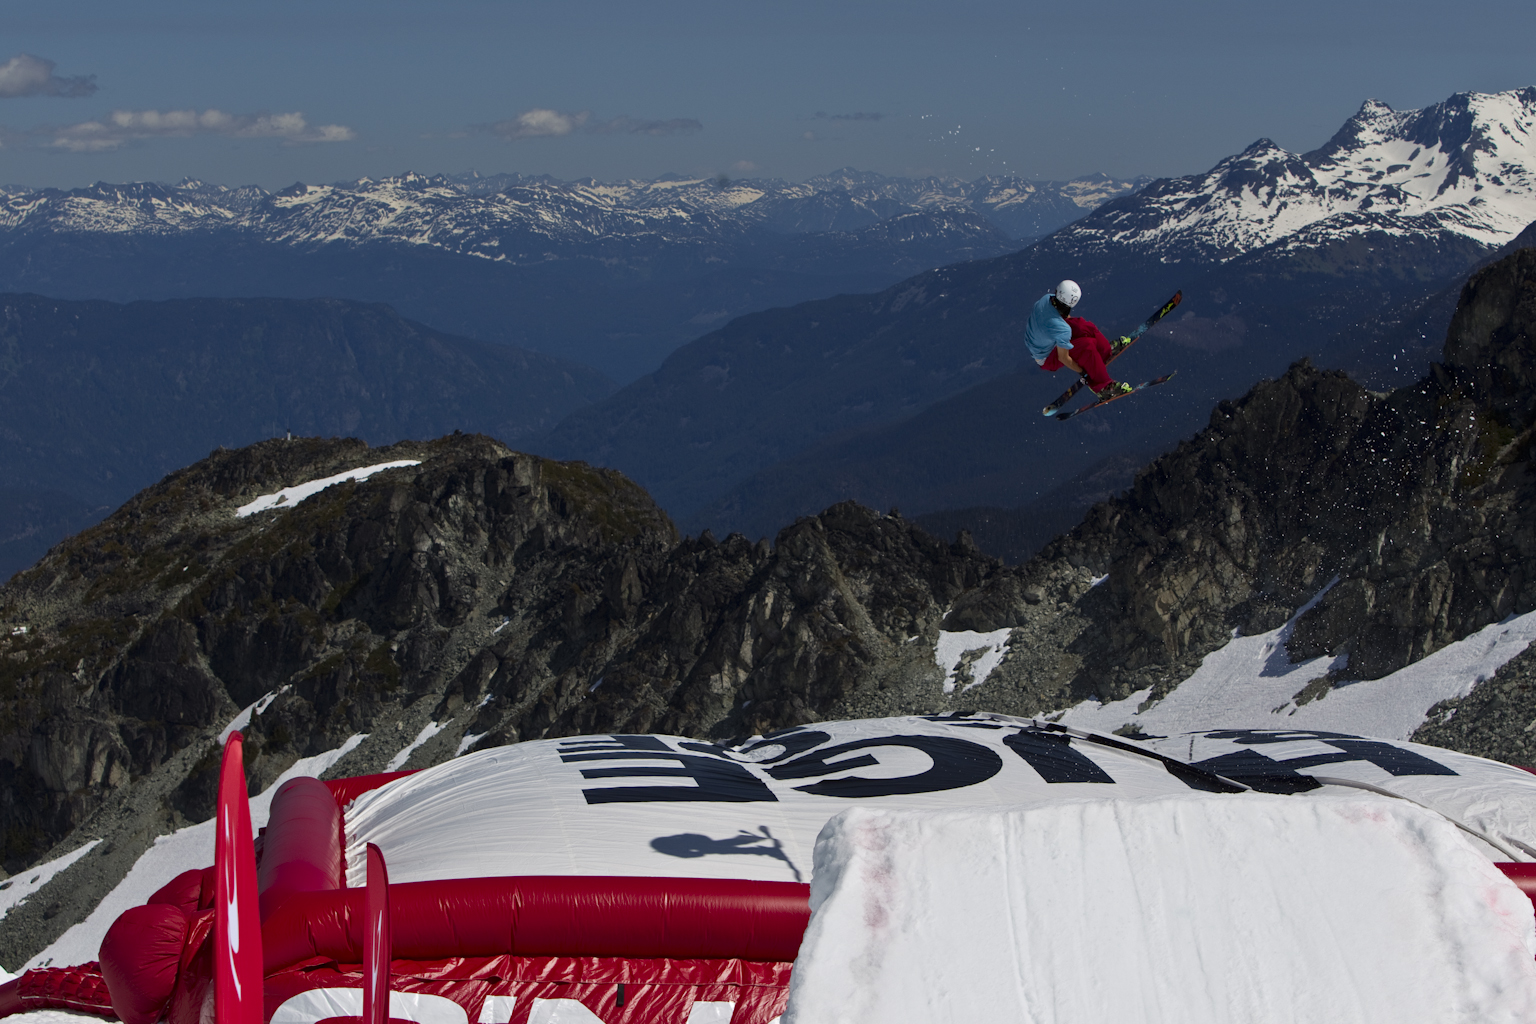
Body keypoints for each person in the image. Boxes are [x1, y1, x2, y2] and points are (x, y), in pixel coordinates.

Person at [1023, 280, 1132, 399]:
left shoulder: (1047, 298)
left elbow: (1065, 321)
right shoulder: (1062, 329)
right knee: (1086, 346)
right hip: (1046, 358)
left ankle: (1105, 350)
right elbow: (1063, 358)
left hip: (1040, 339)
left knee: (1082, 326)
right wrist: (1084, 373)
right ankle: (1102, 387)